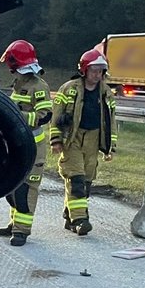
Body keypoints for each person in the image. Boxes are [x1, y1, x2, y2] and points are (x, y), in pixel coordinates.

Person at [49, 47, 117, 236]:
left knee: (86, 181)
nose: (97, 75)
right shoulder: (69, 89)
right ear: (84, 70)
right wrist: (56, 139)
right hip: (72, 138)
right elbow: (57, 115)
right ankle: (81, 220)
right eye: (94, 70)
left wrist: (110, 146)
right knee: (76, 178)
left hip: (94, 139)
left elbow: (111, 120)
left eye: (100, 71)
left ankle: (69, 216)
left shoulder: (106, 92)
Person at [0, 40, 53, 246]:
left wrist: (14, 115)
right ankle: (14, 224)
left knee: (26, 190)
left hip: (34, 149)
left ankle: (22, 231)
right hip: (18, 146)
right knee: (12, 186)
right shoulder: (19, 83)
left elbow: (44, 116)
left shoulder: (39, 86)